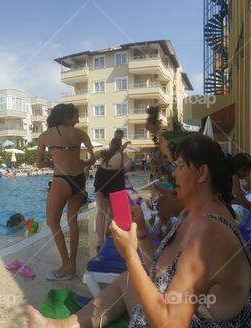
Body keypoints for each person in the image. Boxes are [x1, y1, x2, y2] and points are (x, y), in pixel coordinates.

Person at [27, 134, 251, 327]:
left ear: (202, 174)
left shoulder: (208, 230)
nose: (173, 174)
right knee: (128, 279)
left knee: (132, 273)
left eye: (180, 166)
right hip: (181, 312)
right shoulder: (193, 213)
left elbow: (170, 324)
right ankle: (62, 325)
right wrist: (142, 232)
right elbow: (163, 271)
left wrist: (130, 255)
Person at [35, 103, 95, 281]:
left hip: (61, 179)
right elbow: (93, 159)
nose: (78, 120)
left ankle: (66, 265)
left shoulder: (44, 136)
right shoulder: (81, 134)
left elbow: (38, 163)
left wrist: (52, 163)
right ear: (65, 117)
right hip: (79, 180)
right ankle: (72, 265)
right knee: (72, 221)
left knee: (52, 222)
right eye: (75, 116)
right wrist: (83, 163)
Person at [92, 135, 132, 252]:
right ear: (120, 146)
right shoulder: (122, 155)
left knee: (101, 212)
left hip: (101, 178)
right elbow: (128, 167)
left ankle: (100, 240)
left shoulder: (104, 152)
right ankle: (111, 233)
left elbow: (92, 158)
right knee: (117, 212)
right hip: (115, 180)